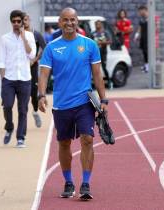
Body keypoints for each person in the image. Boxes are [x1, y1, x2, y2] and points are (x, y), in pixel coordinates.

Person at [38, 7, 108, 200]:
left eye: (73, 20)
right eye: (65, 20)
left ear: (77, 22)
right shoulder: (52, 47)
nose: (69, 23)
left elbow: (97, 74)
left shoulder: (89, 45)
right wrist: (41, 95)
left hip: (84, 102)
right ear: (60, 23)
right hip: (61, 105)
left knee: (87, 139)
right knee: (64, 143)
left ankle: (85, 184)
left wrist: (104, 100)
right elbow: (44, 73)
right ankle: (68, 181)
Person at [0, 10, 36, 148]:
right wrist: (3, 80)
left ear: (22, 22)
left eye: (18, 21)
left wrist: (23, 38)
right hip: (9, 78)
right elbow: (1, 60)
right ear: (11, 22)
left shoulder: (29, 36)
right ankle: (9, 127)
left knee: (23, 109)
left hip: (25, 79)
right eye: (13, 21)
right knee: (7, 106)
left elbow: (32, 55)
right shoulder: (4, 38)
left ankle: (21, 138)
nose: (16, 24)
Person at [23, 13, 46, 128]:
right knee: (23, 93)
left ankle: (35, 111)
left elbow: (44, 48)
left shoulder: (36, 34)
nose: (24, 22)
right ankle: (23, 118)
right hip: (21, 67)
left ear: (29, 20)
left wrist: (35, 59)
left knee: (33, 91)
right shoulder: (19, 35)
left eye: (26, 19)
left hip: (33, 66)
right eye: (22, 20)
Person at [134, 5, 159, 72]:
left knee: (150, 52)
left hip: (150, 38)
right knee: (144, 52)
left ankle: (152, 66)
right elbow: (140, 27)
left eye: (140, 11)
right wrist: (137, 35)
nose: (139, 13)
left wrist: (153, 35)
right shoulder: (142, 18)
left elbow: (156, 27)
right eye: (139, 11)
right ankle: (147, 65)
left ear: (144, 10)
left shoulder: (152, 17)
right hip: (143, 38)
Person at [91, 20, 113, 89]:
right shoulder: (93, 33)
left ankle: (109, 82)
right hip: (95, 53)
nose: (97, 25)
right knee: (95, 69)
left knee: (104, 67)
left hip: (103, 53)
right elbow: (89, 42)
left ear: (101, 25)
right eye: (96, 24)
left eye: (98, 24)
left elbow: (110, 41)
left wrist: (101, 43)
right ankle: (95, 84)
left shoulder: (105, 32)